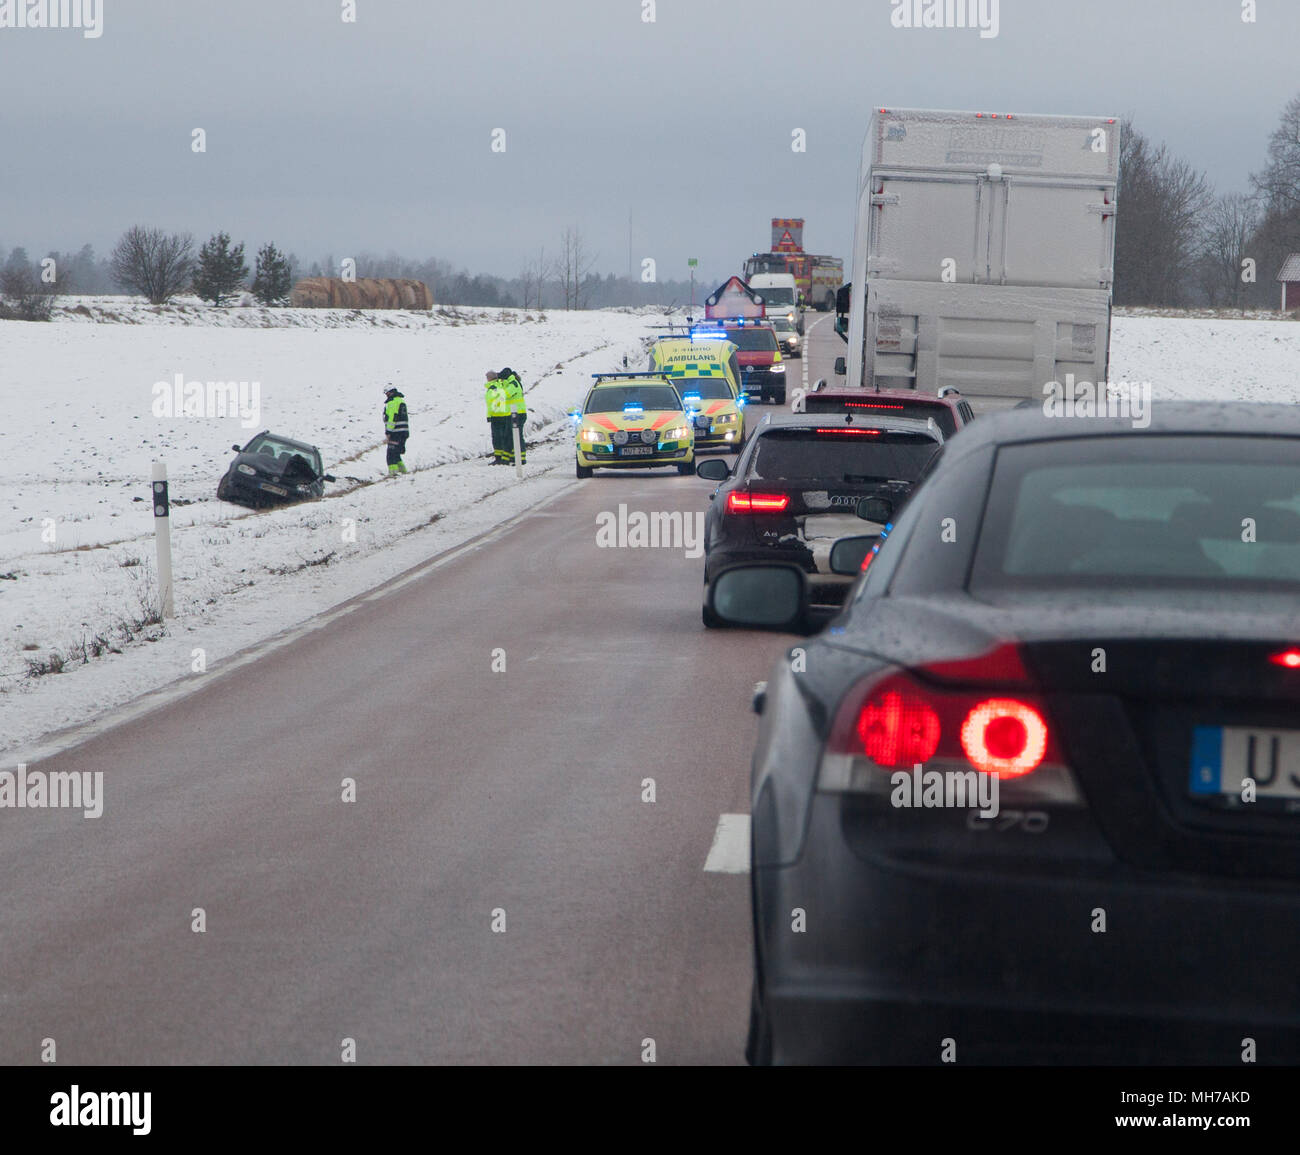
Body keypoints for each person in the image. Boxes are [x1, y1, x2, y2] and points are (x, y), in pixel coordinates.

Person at [498, 366, 527, 465]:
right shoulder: (511, 383)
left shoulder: (513, 384)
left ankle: (520, 458)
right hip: (513, 413)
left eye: (501, 379)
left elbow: (504, 395)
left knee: (517, 436)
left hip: (518, 414)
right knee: (511, 436)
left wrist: (500, 386)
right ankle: (512, 457)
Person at [484, 371, 514, 464]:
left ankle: (499, 458)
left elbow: (492, 403)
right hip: (504, 414)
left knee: (497, 438)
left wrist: (490, 415)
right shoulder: (501, 385)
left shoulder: (493, 388)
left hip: (496, 415)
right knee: (504, 436)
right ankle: (504, 456)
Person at [383, 385, 409, 475]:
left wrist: (388, 432)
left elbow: (392, 418)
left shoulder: (392, 403)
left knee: (390, 455)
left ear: (391, 392)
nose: (386, 395)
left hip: (396, 433)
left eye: (387, 393)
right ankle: (404, 472)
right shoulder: (401, 401)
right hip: (404, 432)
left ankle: (393, 474)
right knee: (396, 454)